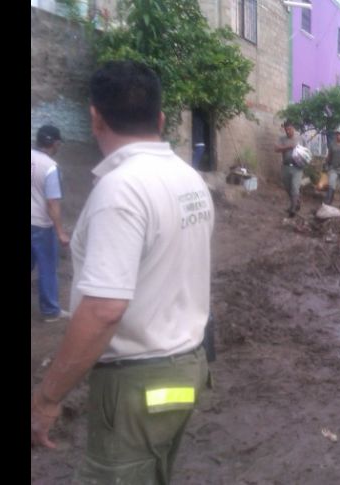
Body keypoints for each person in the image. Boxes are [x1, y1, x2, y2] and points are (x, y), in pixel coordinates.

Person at [30, 60, 213, 485]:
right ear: (161, 118)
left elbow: (104, 309)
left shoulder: (121, 189)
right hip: (187, 369)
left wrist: (47, 399)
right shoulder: (188, 178)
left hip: (138, 383)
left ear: (95, 117)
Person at [31, 124, 71, 322]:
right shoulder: (50, 167)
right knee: (47, 268)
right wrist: (60, 231)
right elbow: (52, 202)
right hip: (40, 225)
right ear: (55, 144)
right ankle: (50, 311)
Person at [274, 120, 306, 217]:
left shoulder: (300, 138)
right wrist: (288, 147)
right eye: (286, 129)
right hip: (286, 167)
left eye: (289, 129)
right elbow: (276, 149)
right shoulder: (282, 139)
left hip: (297, 167)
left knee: (295, 188)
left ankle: (293, 209)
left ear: (293, 128)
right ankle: (297, 202)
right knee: (288, 188)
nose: (288, 131)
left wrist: (304, 161)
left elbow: (306, 152)